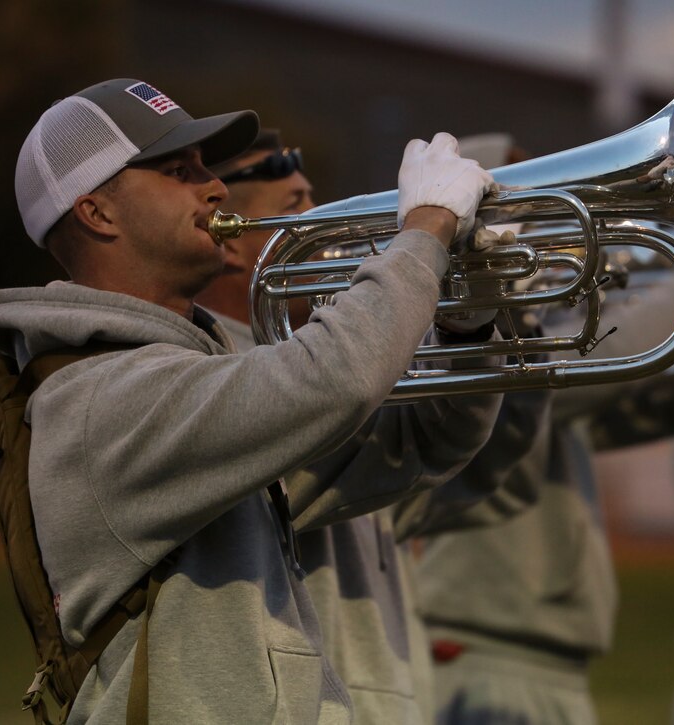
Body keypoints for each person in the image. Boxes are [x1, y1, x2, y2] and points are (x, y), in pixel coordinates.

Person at [0, 79, 504, 723]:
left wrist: (466, 323)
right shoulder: (100, 399)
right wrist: (425, 232)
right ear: (98, 213)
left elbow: (421, 441)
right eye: (178, 170)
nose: (214, 186)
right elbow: (334, 379)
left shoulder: (186, 379)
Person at [197, 129, 544, 722]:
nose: (326, 222)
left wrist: (483, 320)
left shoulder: (327, 370)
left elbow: (462, 452)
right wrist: (422, 241)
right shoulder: (220, 377)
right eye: (296, 207)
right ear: (232, 242)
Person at [412, 133, 674, 725]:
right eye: (521, 197)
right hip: (489, 654)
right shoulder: (470, 342)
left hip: (540, 656)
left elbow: (658, 408)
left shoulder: (539, 322)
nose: (549, 207)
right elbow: (606, 372)